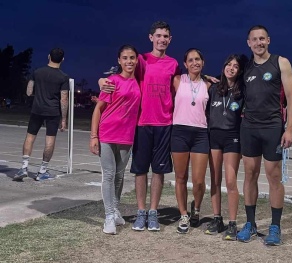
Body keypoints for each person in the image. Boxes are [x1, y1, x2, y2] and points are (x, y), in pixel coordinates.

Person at [98, 21, 180, 231]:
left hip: (164, 123)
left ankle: (153, 212)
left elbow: (184, 84)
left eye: (166, 36)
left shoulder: (173, 64)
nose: (162, 39)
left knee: (159, 172)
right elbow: (121, 74)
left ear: (170, 40)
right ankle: (141, 212)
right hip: (142, 123)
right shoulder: (141, 60)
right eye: (158, 35)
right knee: (140, 171)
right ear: (151, 37)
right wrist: (101, 81)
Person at [236, 25, 292, 245]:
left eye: (262, 39)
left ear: (269, 40)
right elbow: (228, 80)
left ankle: (275, 227)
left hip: (272, 127)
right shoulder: (246, 67)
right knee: (250, 175)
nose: (259, 42)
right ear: (248, 43)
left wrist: (289, 129)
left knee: (274, 177)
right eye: (255, 39)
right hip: (249, 128)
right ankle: (251, 224)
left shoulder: (281, 62)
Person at [90, 45, 141, 235]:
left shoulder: (139, 82)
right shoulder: (112, 81)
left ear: (136, 60)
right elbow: (98, 109)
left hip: (127, 136)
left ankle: (116, 209)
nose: (129, 61)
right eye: (125, 58)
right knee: (109, 175)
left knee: (120, 176)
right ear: (119, 60)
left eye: (132, 58)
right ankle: (108, 216)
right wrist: (93, 136)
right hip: (107, 134)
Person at [204, 54, 246, 240]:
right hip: (214, 136)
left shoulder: (242, 91)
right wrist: (205, 77)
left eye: (235, 66)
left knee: (230, 181)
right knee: (215, 180)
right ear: (223, 67)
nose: (231, 68)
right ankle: (217, 218)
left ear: (239, 71)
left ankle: (232, 223)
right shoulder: (213, 88)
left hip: (232, 138)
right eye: (228, 64)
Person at [13, 48, 69, 181]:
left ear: (48, 56)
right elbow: (64, 98)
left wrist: (38, 94)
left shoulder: (37, 72)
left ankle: (24, 168)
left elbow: (28, 91)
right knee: (49, 140)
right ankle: (42, 171)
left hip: (37, 109)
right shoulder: (63, 77)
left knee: (30, 137)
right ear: (62, 59)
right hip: (53, 112)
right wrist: (64, 119)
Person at [172, 48, 211, 234]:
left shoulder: (209, 84)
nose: (194, 62)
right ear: (185, 64)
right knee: (180, 177)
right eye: (190, 60)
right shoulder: (177, 80)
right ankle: (184, 214)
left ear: (203, 63)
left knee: (198, 180)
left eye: (198, 59)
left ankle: (196, 208)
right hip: (179, 131)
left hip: (200, 133)